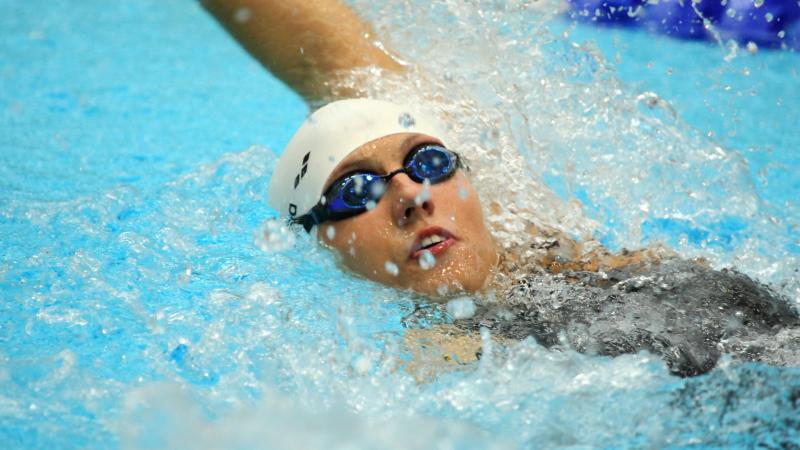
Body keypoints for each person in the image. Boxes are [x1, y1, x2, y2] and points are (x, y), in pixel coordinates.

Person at [202, 0, 800, 377]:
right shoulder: (403, 382)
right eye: (357, 192)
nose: (411, 195)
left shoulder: (551, 244)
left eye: (431, 161)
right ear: (320, 243)